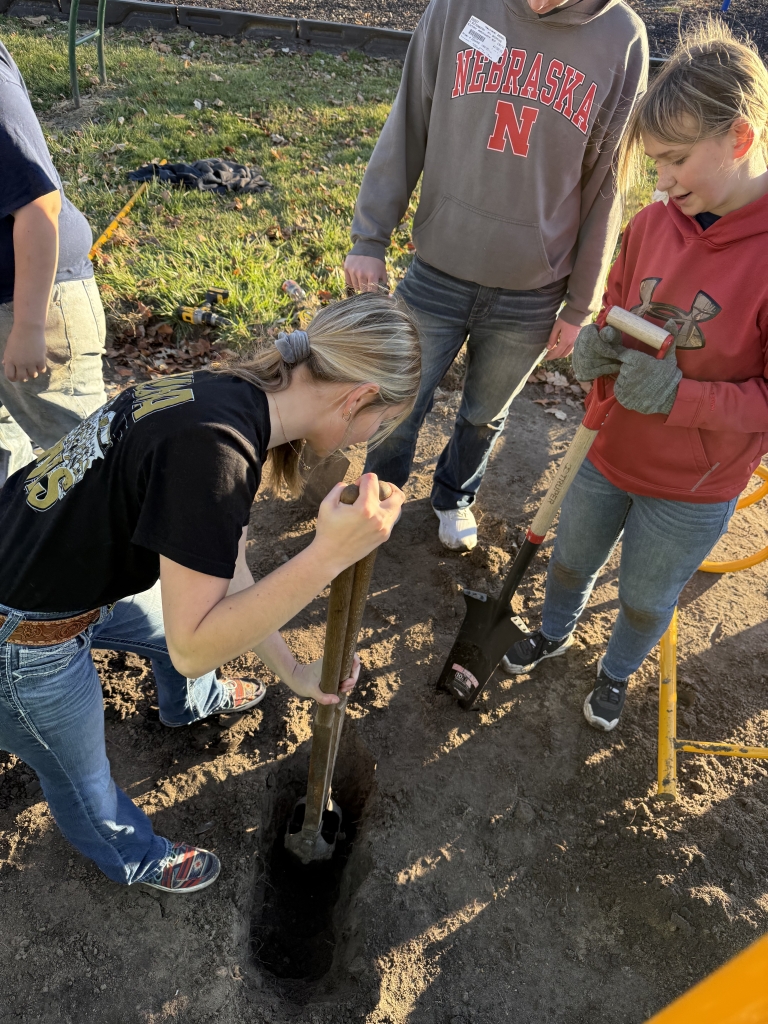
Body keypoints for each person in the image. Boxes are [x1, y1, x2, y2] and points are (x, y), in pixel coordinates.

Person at [0, 293, 420, 892]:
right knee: (79, 779)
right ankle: (134, 857)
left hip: (48, 567)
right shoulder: (216, 453)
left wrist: (294, 669)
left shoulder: (233, 396)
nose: (367, 437)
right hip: (22, 640)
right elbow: (192, 647)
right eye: (380, 421)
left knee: (171, 615)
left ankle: (189, 704)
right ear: (357, 398)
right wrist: (328, 555)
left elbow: (226, 566)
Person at [501, 21, 768, 731]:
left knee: (650, 595)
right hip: (606, 449)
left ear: (739, 140)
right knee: (570, 560)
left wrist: (685, 398)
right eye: (655, 163)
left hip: (696, 483)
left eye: (676, 160)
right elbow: (618, 309)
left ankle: (617, 671)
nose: (663, 179)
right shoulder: (651, 225)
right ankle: (555, 630)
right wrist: (593, 345)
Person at [345, 0, 647, 551]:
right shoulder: (455, 8)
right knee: (399, 398)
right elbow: (408, 120)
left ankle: (454, 496)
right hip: (437, 269)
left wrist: (581, 305)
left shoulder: (622, 37)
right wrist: (370, 237)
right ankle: (379, 492)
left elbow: (607, 182)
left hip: (532, 293)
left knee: (485, 414)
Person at [0, 40, 107, 488]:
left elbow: (39, 206)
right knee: (10, 451)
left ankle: (125, 556)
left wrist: (28, 328)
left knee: (84, 458)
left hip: (33, 302)